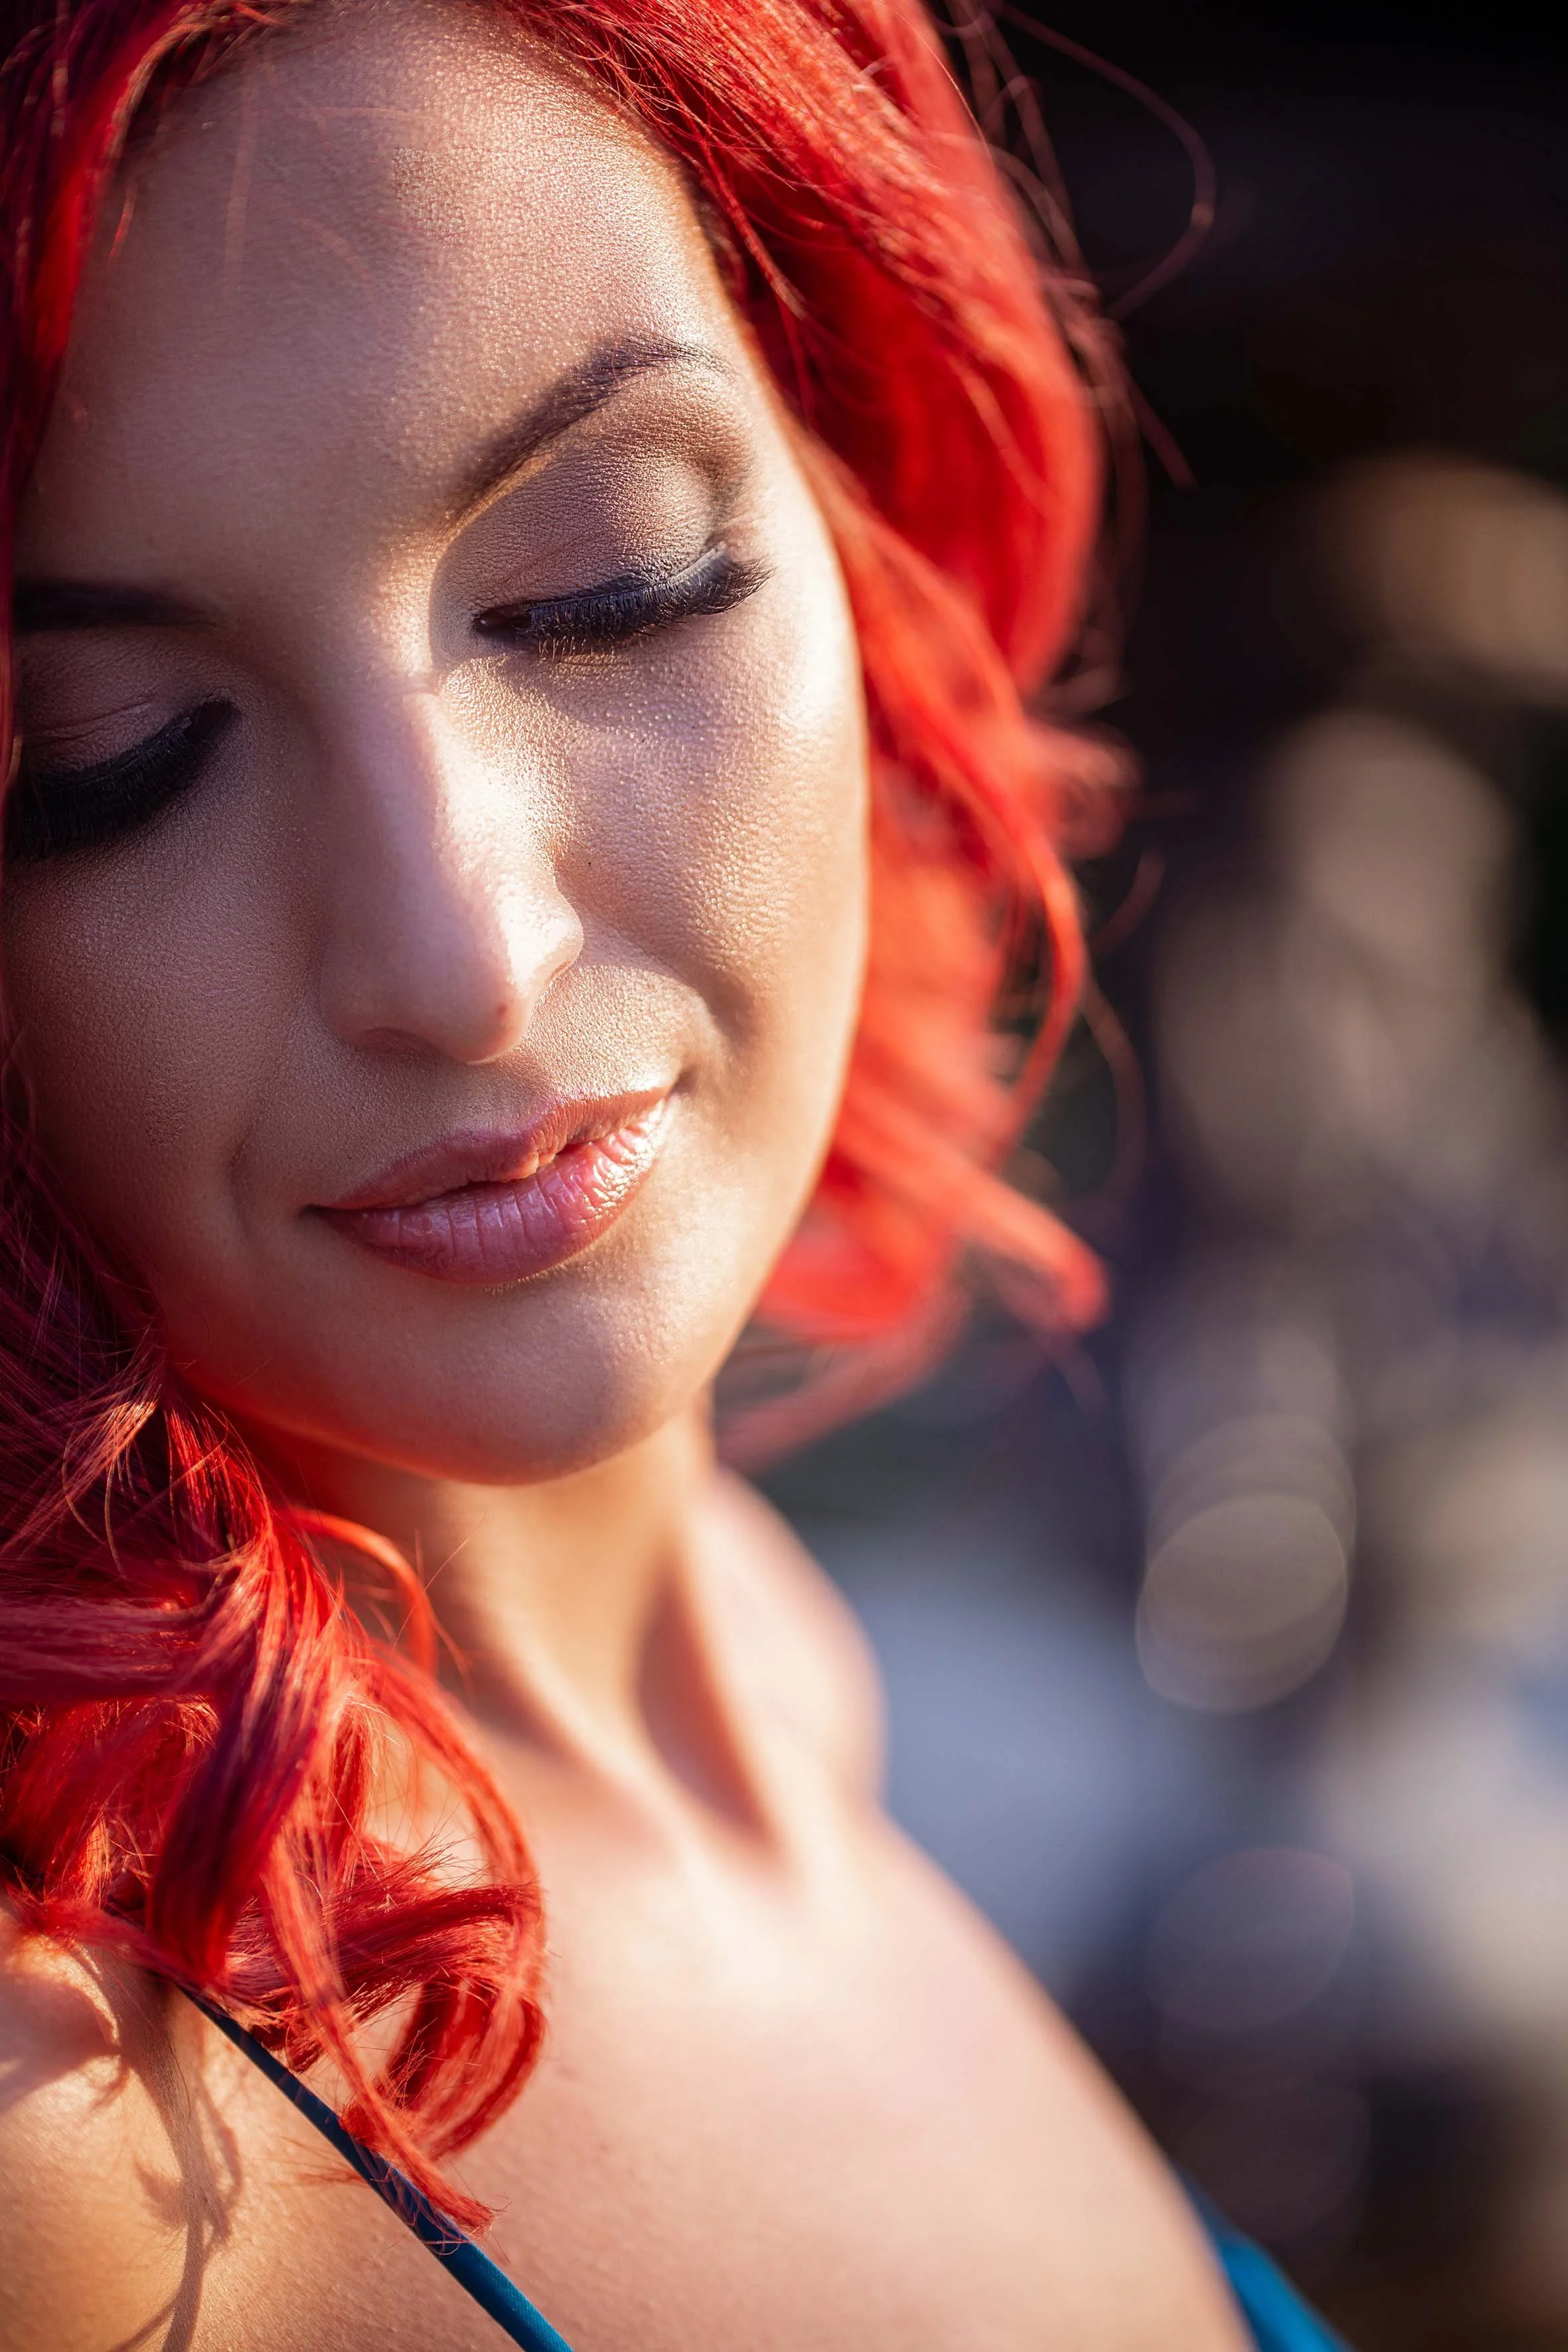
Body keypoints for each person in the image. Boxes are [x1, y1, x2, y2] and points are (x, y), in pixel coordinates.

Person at [0, 0, 1347, 2344]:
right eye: (105, 763)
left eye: (603, 580)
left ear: (848, 504)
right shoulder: (79, 2136)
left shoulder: (778, 1656)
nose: (465, 959)